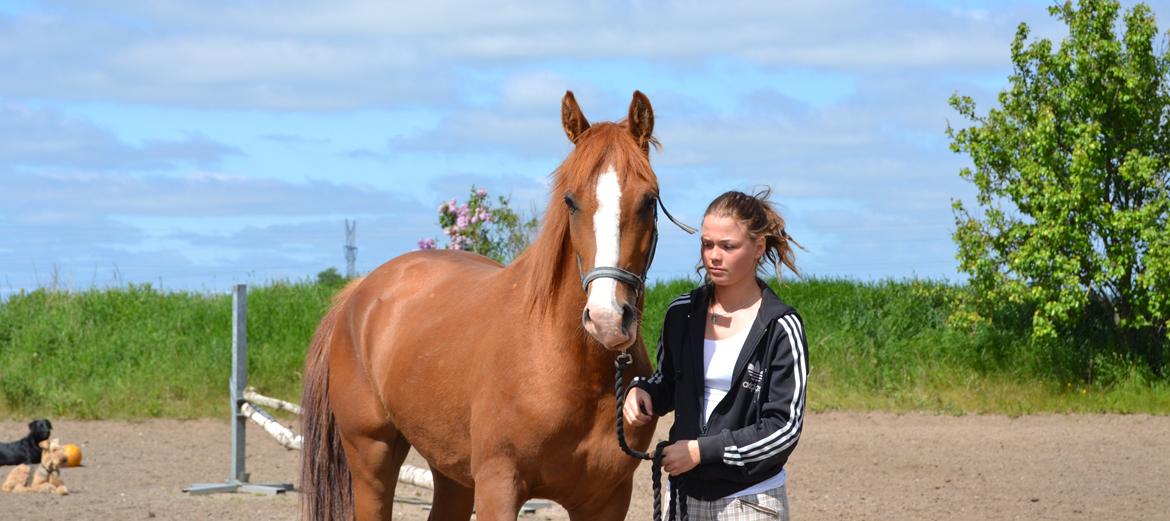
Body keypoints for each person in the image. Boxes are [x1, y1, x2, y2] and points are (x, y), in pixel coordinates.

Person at [625, 188, 808, 520]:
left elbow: (784, 428)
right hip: (682, 497)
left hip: (751, 501)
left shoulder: (781, 327)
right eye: (707, 244)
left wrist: (701, 451)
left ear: (758, 247)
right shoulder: (681, 313)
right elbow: (669, 382)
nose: (714, 256)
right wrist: (643, 390)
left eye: (728, 246)